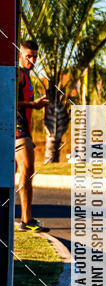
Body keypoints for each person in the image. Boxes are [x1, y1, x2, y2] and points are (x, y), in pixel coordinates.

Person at [15, 40, 49, 232]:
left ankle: (27, 219)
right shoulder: (18, 73)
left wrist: (38, 106)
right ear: (20, 54)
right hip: (17, 129)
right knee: (26, 172)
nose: (32, 60)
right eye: (28, 56)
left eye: (35, 56)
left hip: (25, 128)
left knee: (27, 173)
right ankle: (26, 220)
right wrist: (32, 105)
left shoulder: (27, 75)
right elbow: (10, 99)